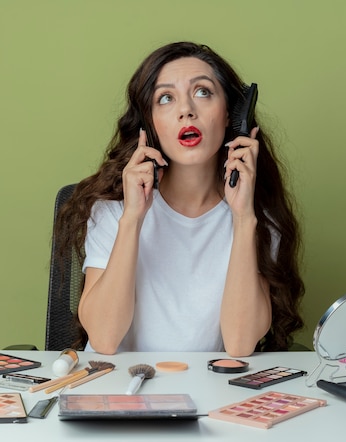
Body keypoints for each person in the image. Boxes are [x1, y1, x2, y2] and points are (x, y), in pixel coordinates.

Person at [53, 42, 304, 356]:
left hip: (207, 394)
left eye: (202, 92)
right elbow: (104, 339)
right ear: (151, 123)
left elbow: (240, 344)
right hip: (119, 392)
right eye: (166, 98)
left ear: (230, 114)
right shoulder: (112, 211)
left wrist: (243, 219)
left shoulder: (256, 221)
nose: (186, 110)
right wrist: (132, 219)